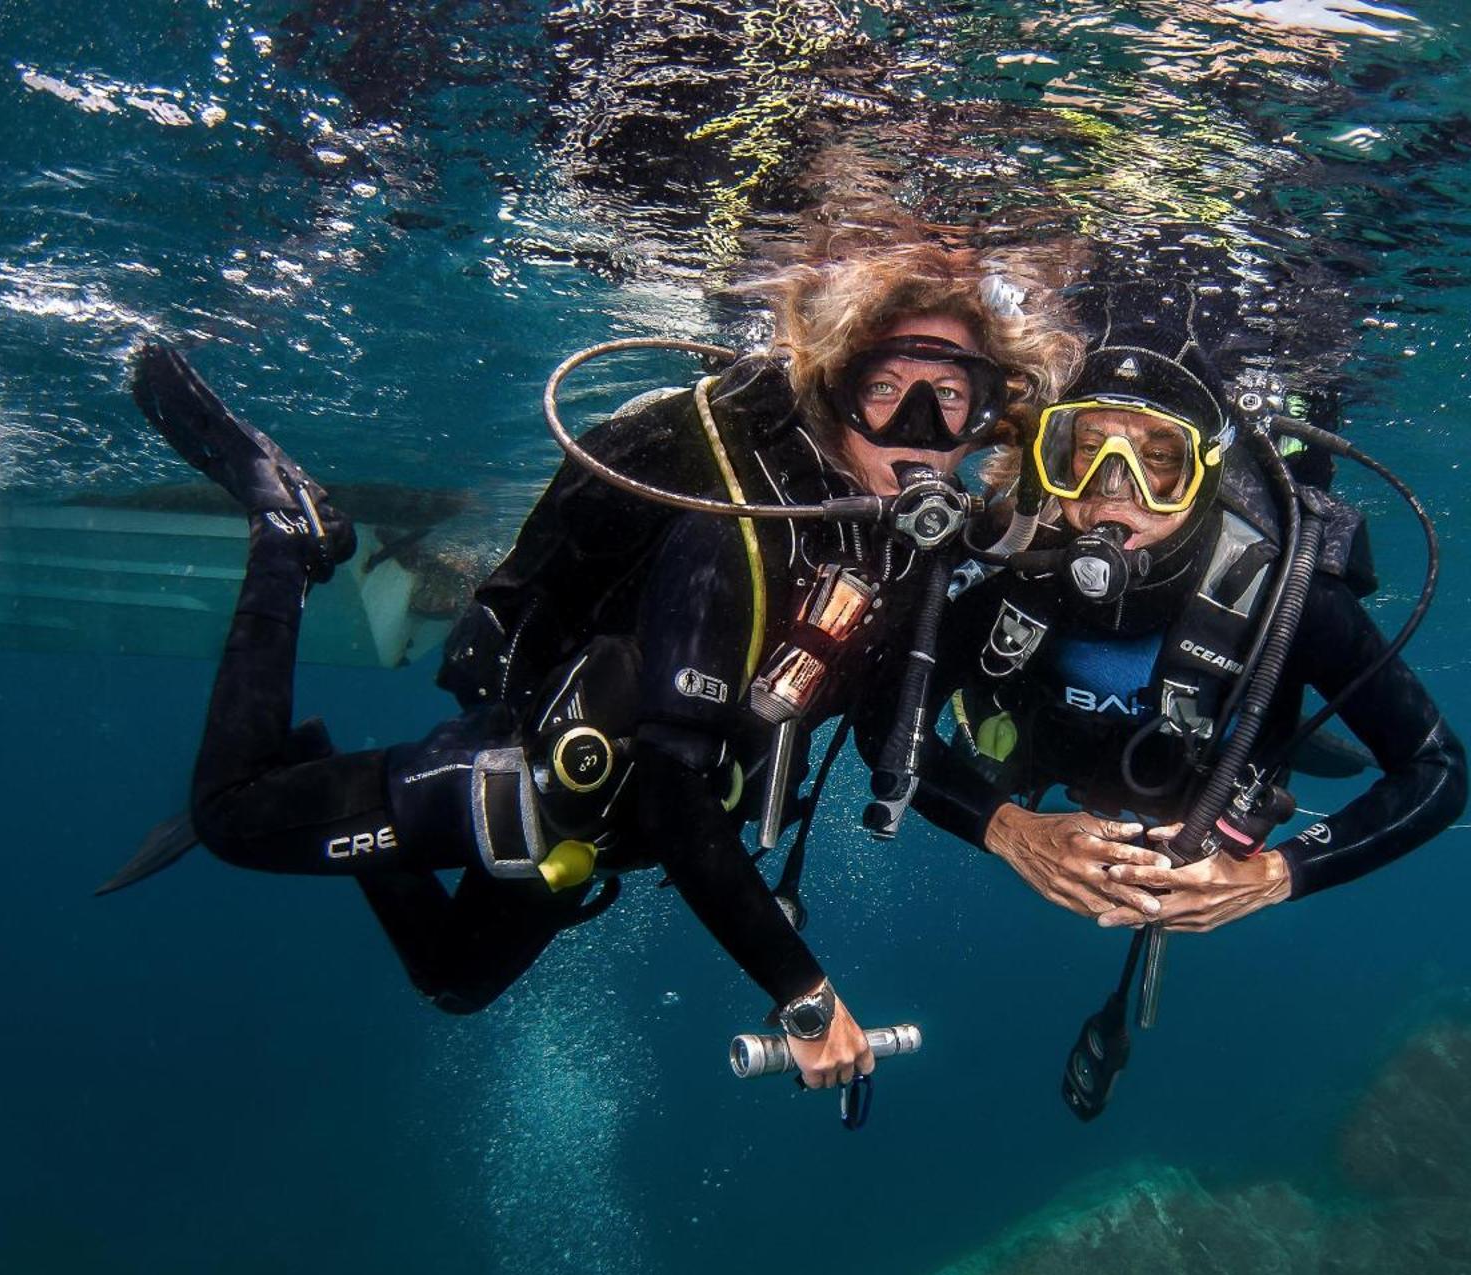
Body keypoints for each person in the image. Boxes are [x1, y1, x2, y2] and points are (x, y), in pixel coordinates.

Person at [140, 231, 1081, 1090]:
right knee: (232, 816)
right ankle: (287, 531)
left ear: (986, 416)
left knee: (455, 979)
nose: (917, 425)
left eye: (950, 397)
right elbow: (674, 791)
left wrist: (1013, 827)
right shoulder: (737, 522)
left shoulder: (907, 546)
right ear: (833, 386)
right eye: (886, 389)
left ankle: (318, 761)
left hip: (589, 825)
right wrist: (802, 991)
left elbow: (882, 720)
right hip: (532, 774)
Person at [908, 320, 1467, 1103]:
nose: (1115, 492)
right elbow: (881, 729)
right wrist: (1007, 829)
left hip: (1223, 751)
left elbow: (1437, 767)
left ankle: (1299, 741)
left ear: (1203, 475)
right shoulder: (1008, 574)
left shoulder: (1285, 595)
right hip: (1069, 759)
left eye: (1157, 461)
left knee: (1297, 739)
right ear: (1049, 460)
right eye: (1086, 453)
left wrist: (1273, 875)